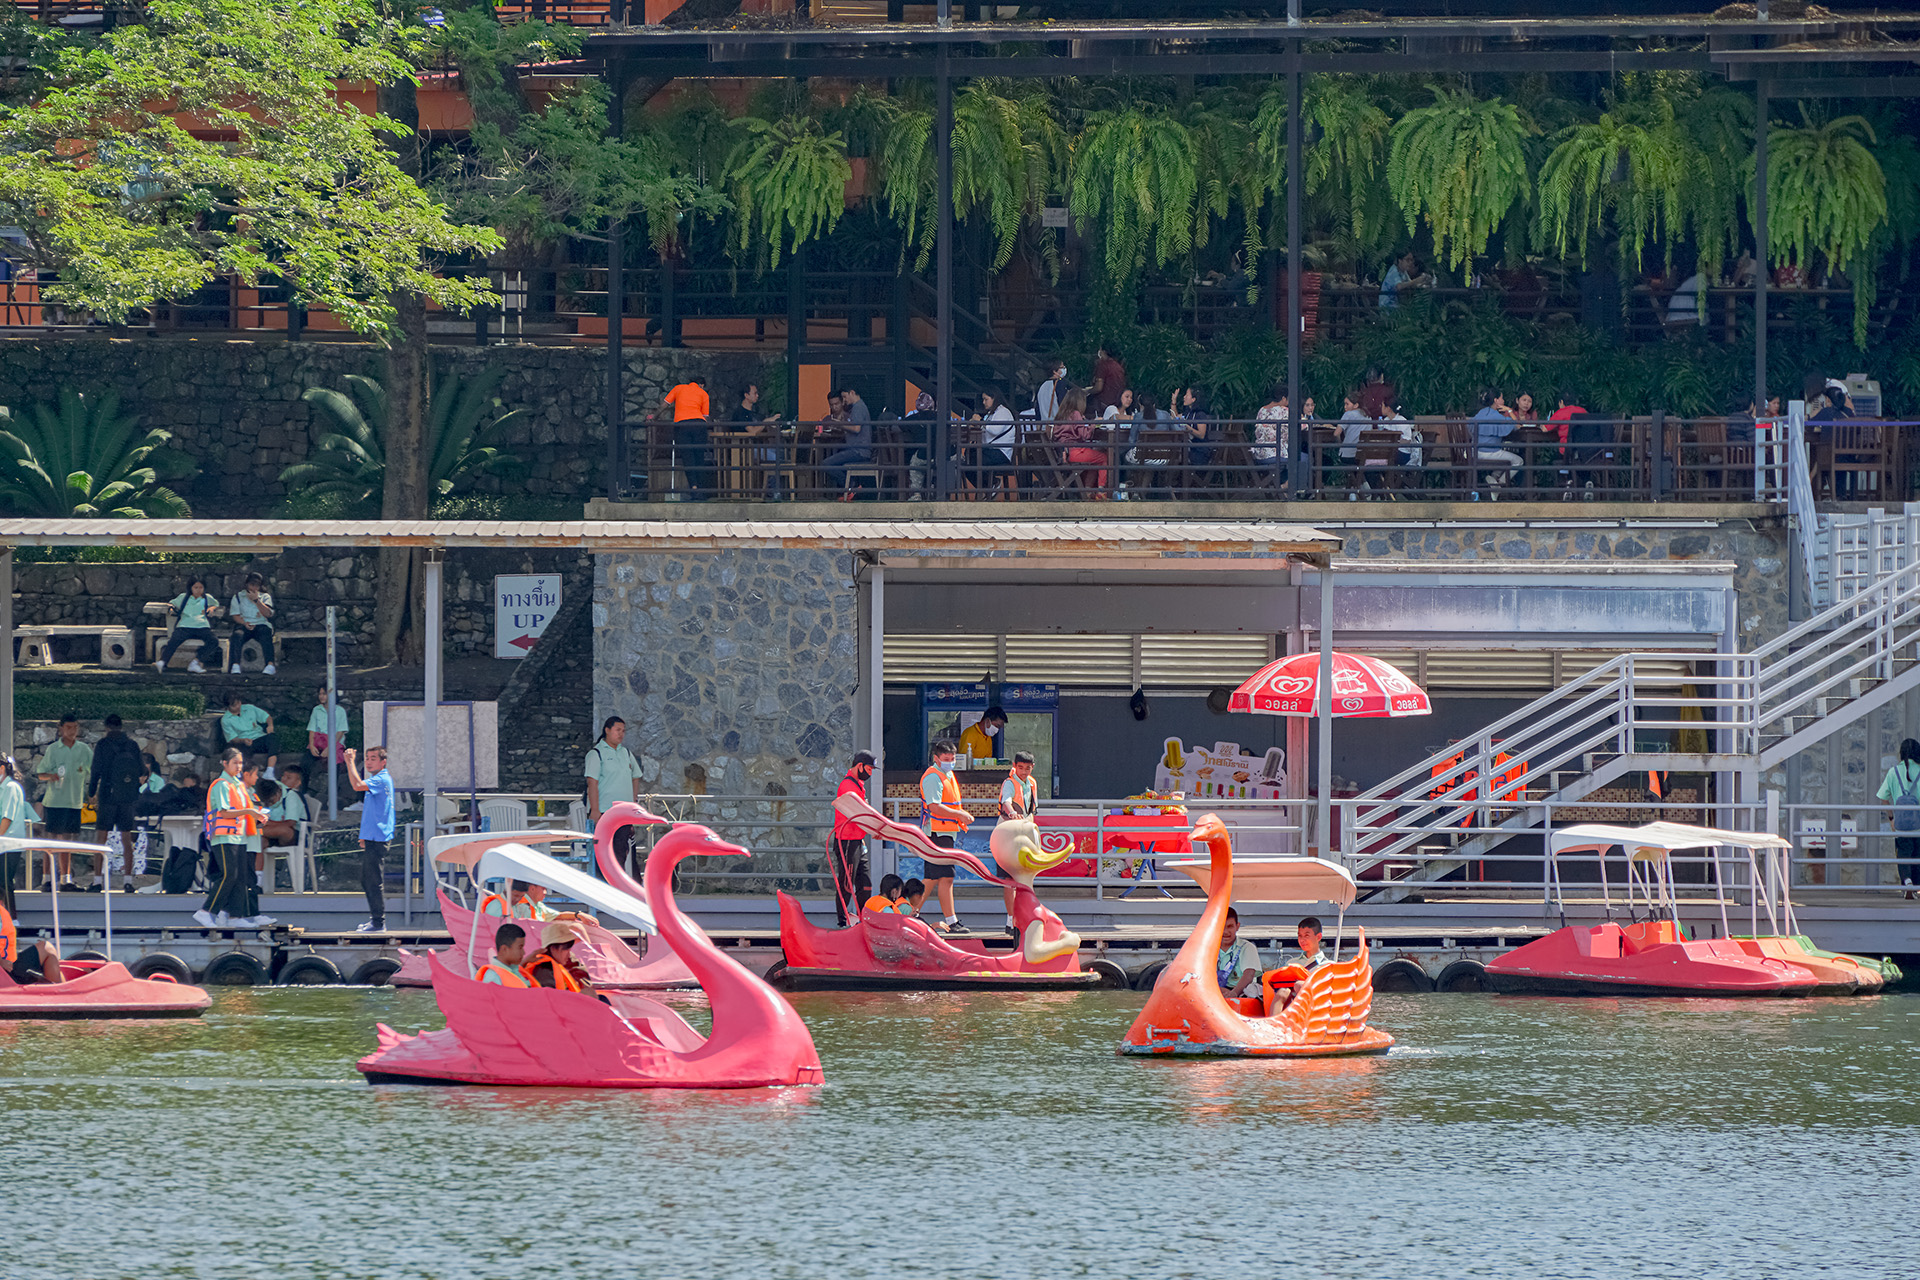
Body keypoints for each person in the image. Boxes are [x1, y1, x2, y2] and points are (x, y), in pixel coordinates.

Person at [194, 747, 267, 928]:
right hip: (224, 837)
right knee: (228, 875)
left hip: (239, 836)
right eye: (235, 763)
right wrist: (250, 811)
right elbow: (225, 812)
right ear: (225, 763)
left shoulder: (238, 785)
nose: (239, 766)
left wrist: (256, 816)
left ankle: (236, 916)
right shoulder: (221, 784)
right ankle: (206, 911)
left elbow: (243, 810)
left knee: (240, 877)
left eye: (240, 763)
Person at [919, 740, 973, 935]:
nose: (950, 762)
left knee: (936, 877)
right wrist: (960, 815)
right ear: (936, 758)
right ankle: (947, 920)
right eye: (946, 759)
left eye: (952, 758)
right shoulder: (933, 777)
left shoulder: (946, 774)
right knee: (942, 877)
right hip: (936, 832)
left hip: (944, 832)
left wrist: (958, 818)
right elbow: (934, 806)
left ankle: (911, 913)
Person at [35, 713, 93, 892]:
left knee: (67, 841)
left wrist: (93, 794)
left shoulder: (84, 749)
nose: (72, 731)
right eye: (68, 727)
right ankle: (46, 879)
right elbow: (40, 773)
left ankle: (65, 879)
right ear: (61, 728)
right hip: (55, 802)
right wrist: (51, 776)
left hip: (74, 802)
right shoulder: (53, 749)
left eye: (75, 727)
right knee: (51, 840)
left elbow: (93, 770)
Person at [88, 713, 144, 893]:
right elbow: (142, 770)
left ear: (106, 727)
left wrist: (91, 792)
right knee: (126, 839)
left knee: (101, 838)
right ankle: (128, 880)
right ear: (121, 726)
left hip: (107, 794)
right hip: (127, 797)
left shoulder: (103, 745)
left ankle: (98, 880)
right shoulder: (132, 745)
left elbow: (95, 770)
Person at [343, 745, 394, 932]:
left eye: (373, 758)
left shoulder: (381, 779)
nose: (369, 762)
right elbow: (374, 812)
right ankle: (376, 920)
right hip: (373, 836)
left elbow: (357, 785)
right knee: (367, 880)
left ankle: (378, 923)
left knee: (373, 880)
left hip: (378, 838)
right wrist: (364, 835)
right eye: (367, 758)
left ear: (383, 762)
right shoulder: (377, 780)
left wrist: (349, 762)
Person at [584, 715, 643, 876]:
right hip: (604, 812)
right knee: (604, 853)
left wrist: (633, 803)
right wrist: (595, 810)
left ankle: (617, 884)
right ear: (607, 730)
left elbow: (635, 776)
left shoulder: (626, 753)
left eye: (623, 731)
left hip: (623, 813)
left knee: (621, 852)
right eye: (618, 730)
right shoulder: (596, 753)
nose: (621, 734)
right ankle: (604, 884)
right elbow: (592, 783)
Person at [830, 750, 877, 926]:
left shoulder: (858, 784)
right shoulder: (848, 786)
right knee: (847, 883)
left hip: (857, 840)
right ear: (860, 766)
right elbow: (860, 814)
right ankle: (842, 922)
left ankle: (861, 919)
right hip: (847, 840)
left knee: (865, 884)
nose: (870, 773)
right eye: (869, 769)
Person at [1877, 738, 1920, 898]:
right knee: (1917, 856)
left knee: (1903, 854)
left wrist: (1891, 819)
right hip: (1918, 824)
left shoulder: (1893, 772)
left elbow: (1883, 798)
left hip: (1901, 824)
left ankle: (1907, 882)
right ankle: (1915, 887)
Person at [521, 920, 603, 1000]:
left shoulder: (566, 962)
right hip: (556, 1005)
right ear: (553, 948)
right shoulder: (544, 970)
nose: (569, 954)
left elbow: (587, 988)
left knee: (603, 998)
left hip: (567, 1003)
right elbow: (550, 1000)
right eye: (566, 949)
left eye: (569, 948)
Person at [731, 382, 786, 499]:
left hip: (756, 447)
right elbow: (752, 431)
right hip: (744, 449)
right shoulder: (740, 413)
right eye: (755, 393)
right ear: (746, 395)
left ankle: (777, 489)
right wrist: (766, 422)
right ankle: (773, 492)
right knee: (773, 457)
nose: (757, 395)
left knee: (781, 453)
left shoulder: (754, 413)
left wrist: (770, 423)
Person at [662, 374, 714, 499]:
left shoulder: (678, 388)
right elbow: (705, 416)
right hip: (698, 425)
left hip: (682, 425)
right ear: (702, 385)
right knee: (699, 457)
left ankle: (694, 488)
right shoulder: (703, 394)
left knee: (688, 458)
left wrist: (654, 416)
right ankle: (701, 490)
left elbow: (664, 404)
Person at [154, 577, 219, 673]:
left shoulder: (207, 598)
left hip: (202, 626)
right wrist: (171, 608)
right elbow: (171, 603)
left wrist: (212, 608)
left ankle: (196, 662)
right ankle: (162, 662)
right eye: (195, 587)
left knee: (214, 641)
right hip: (184, 626)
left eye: (201, 587)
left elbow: (216, 603)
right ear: (190, 588)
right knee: (174, 640)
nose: (198, 590)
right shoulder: (183, 597)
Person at [822, 386, 874, 499]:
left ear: (852, 392)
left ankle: (851, 487)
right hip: (859, 450)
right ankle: (851, 488)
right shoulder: (860, 407)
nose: (844, 400)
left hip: (858, 451)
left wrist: (839, 424)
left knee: (826, 464)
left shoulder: (858, 407)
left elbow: (856, 428)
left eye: (845, 397)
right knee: (836, 461)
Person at [1472, 389, 1523, 496]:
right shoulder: (1497, 416)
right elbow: (1517, 426)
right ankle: (1499, 484)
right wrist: (1510, 411)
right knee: (1518, 461)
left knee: (1505, 456)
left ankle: (1493, 479)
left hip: (1475, 452)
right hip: (1491, 453)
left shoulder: (1481, 413)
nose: (1503, 401)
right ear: (1496, 400)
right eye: (1502, 398)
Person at [227, 572, 276, 675]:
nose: (254, 588)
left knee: (265, 634)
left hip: (261, 624)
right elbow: (235, 615)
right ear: (247, 584)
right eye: (252, 585)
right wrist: (244, 623)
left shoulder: (265, 596)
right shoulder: (238, 596)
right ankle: (235, 665)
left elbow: (268, 614)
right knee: (237, 635)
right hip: (244, 624)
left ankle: (270, 664)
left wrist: (256, 600)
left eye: (257, 585)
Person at [0, 756, 30, 915]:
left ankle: (11, 918)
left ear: (2, 768)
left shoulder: (10, 787)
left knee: (4, 882)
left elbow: (7, 817)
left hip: (9, 844)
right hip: (3, 844)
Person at [220, 692, 276, 777]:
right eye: (234, 705)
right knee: (238, 750)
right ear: (228, 707)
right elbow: (232, 738)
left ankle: (270, 771)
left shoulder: (250, 708)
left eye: (239, 703)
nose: (238, 706)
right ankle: (241, 774)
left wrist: (270, 726)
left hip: (259, 737)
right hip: (244, 742)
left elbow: (267, 717)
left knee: (273, 738)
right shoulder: (225, 720)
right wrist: (243, 740)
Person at [974, 389, 1016, 496]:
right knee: (970, 456)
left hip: (1001, 452)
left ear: (994, 398)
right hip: (992, 450)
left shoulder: (1003, 412)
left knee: (974, 459)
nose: (983, 402)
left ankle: (992, 483)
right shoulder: (991, 413)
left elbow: (994, 430)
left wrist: (981, 422)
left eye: (986, 399)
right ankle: (988, 486)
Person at [1216, 906, 1263, 997]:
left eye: (1230, 926)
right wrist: (1219, 991)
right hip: (1214, 991)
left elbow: (1248, 975)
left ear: (1237, 926)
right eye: (1221, 927)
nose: (1226, 932)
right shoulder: (1207, 948)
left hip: (1240, 993)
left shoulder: (1247, 947)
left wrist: (1234, 993)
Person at [307, 686, 348, 778]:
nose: (321, 696)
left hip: (335, 743)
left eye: (324, 694)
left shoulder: (340, 711)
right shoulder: (316, 710)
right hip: (318, 742)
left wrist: (329, 748)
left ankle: (335, 786)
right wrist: (312, 746)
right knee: (305, 764)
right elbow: (312, 729)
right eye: (320, 694)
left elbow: (340, 732)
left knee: (335, 765)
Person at [477, 922, 529, 986]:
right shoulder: (493, 978)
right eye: (520, 947)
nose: (523, 953)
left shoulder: (514, 970)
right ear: (504, 949)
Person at [1089, 343, 1127, 415]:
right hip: (1117, 402)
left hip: (1104, 403)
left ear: (1104, 351)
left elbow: (1098, 388)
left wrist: (1088, 391)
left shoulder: (1103, 365)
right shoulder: (1118, 366)